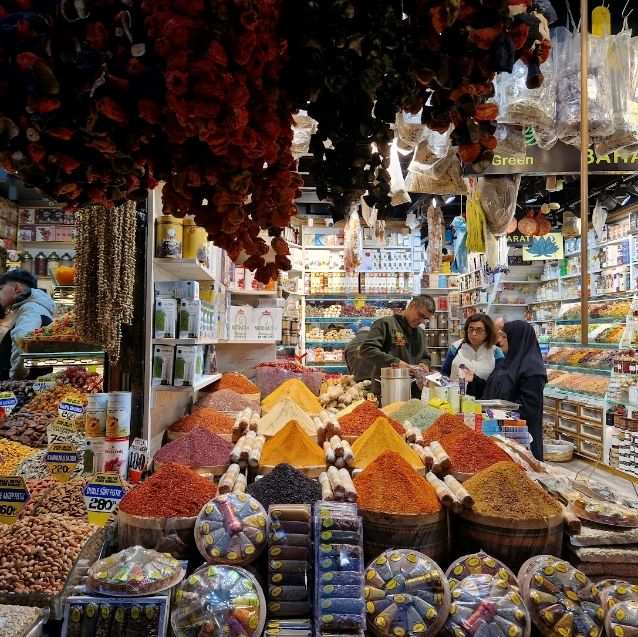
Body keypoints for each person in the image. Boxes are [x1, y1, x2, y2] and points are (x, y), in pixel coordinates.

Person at [465, 320, 547, 460]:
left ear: (517, 339)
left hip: (520, 440)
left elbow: (528, 409)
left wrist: (496, 412)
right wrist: (475, 380)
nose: (499, 341)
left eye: (504, 337)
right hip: (498, 434)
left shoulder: (533, 370)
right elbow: (491, 391)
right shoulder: (506, 362)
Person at [359, 295, 436, 398]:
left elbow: (425, 357)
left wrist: (424, 364)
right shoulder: (386, 324)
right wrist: (396, 363)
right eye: (420, 315)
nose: (421, 321)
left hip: (413, 393)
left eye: (425, 319)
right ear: (412, 305)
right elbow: (367, 349)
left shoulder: (420, 332)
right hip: (387, 391)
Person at [0, 269, 55, 380]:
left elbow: (23, 341)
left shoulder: (31, 308)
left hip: (24, 384)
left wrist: (15, 377)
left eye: (0, 289)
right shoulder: (34, 307)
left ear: (16, 288)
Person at [440, 313, 504, 380]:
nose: (473, 334)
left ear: (487, 332)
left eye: (479, 330)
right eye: (471, 329)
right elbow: (444, 373)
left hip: (484, 390)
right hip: (457, 389)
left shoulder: (495, 351)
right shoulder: (456, 348)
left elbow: (500, 380)